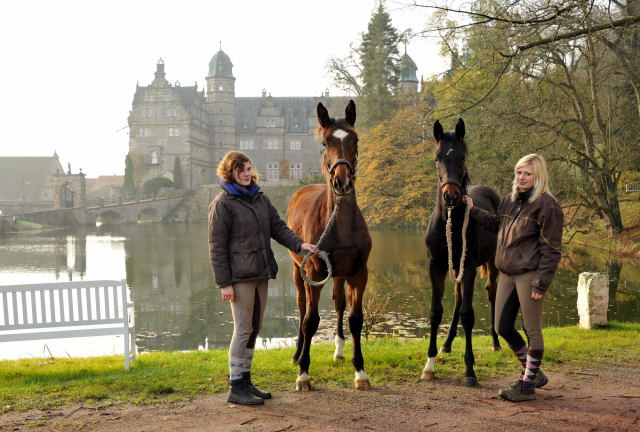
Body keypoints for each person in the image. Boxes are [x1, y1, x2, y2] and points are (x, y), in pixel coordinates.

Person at [208, 151, 316, 405]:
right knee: (243, 329)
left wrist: (301, 245)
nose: (246, 174)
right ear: (229, 173)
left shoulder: (259, 199)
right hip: (239, 277)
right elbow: (216, 246)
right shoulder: (223, 203)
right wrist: (224, 283)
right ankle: (235, 386)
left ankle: (245, 381)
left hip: (261, 273)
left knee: (254, 329)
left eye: (248, 169)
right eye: (240, 170)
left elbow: (277, 227)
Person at [465, 154, 563, 402]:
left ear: (538, 176)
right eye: (519, 172)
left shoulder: (547, 205)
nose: (521, 177)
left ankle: (527, 386)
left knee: (532, 329)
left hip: (529, 274)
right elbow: (497, 224)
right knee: (502, 327)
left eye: (527, 173)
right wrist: (472, 211)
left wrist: (542, 282)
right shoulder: (509, 200)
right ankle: (534, 373)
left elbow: (552, 249)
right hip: (506, 273)